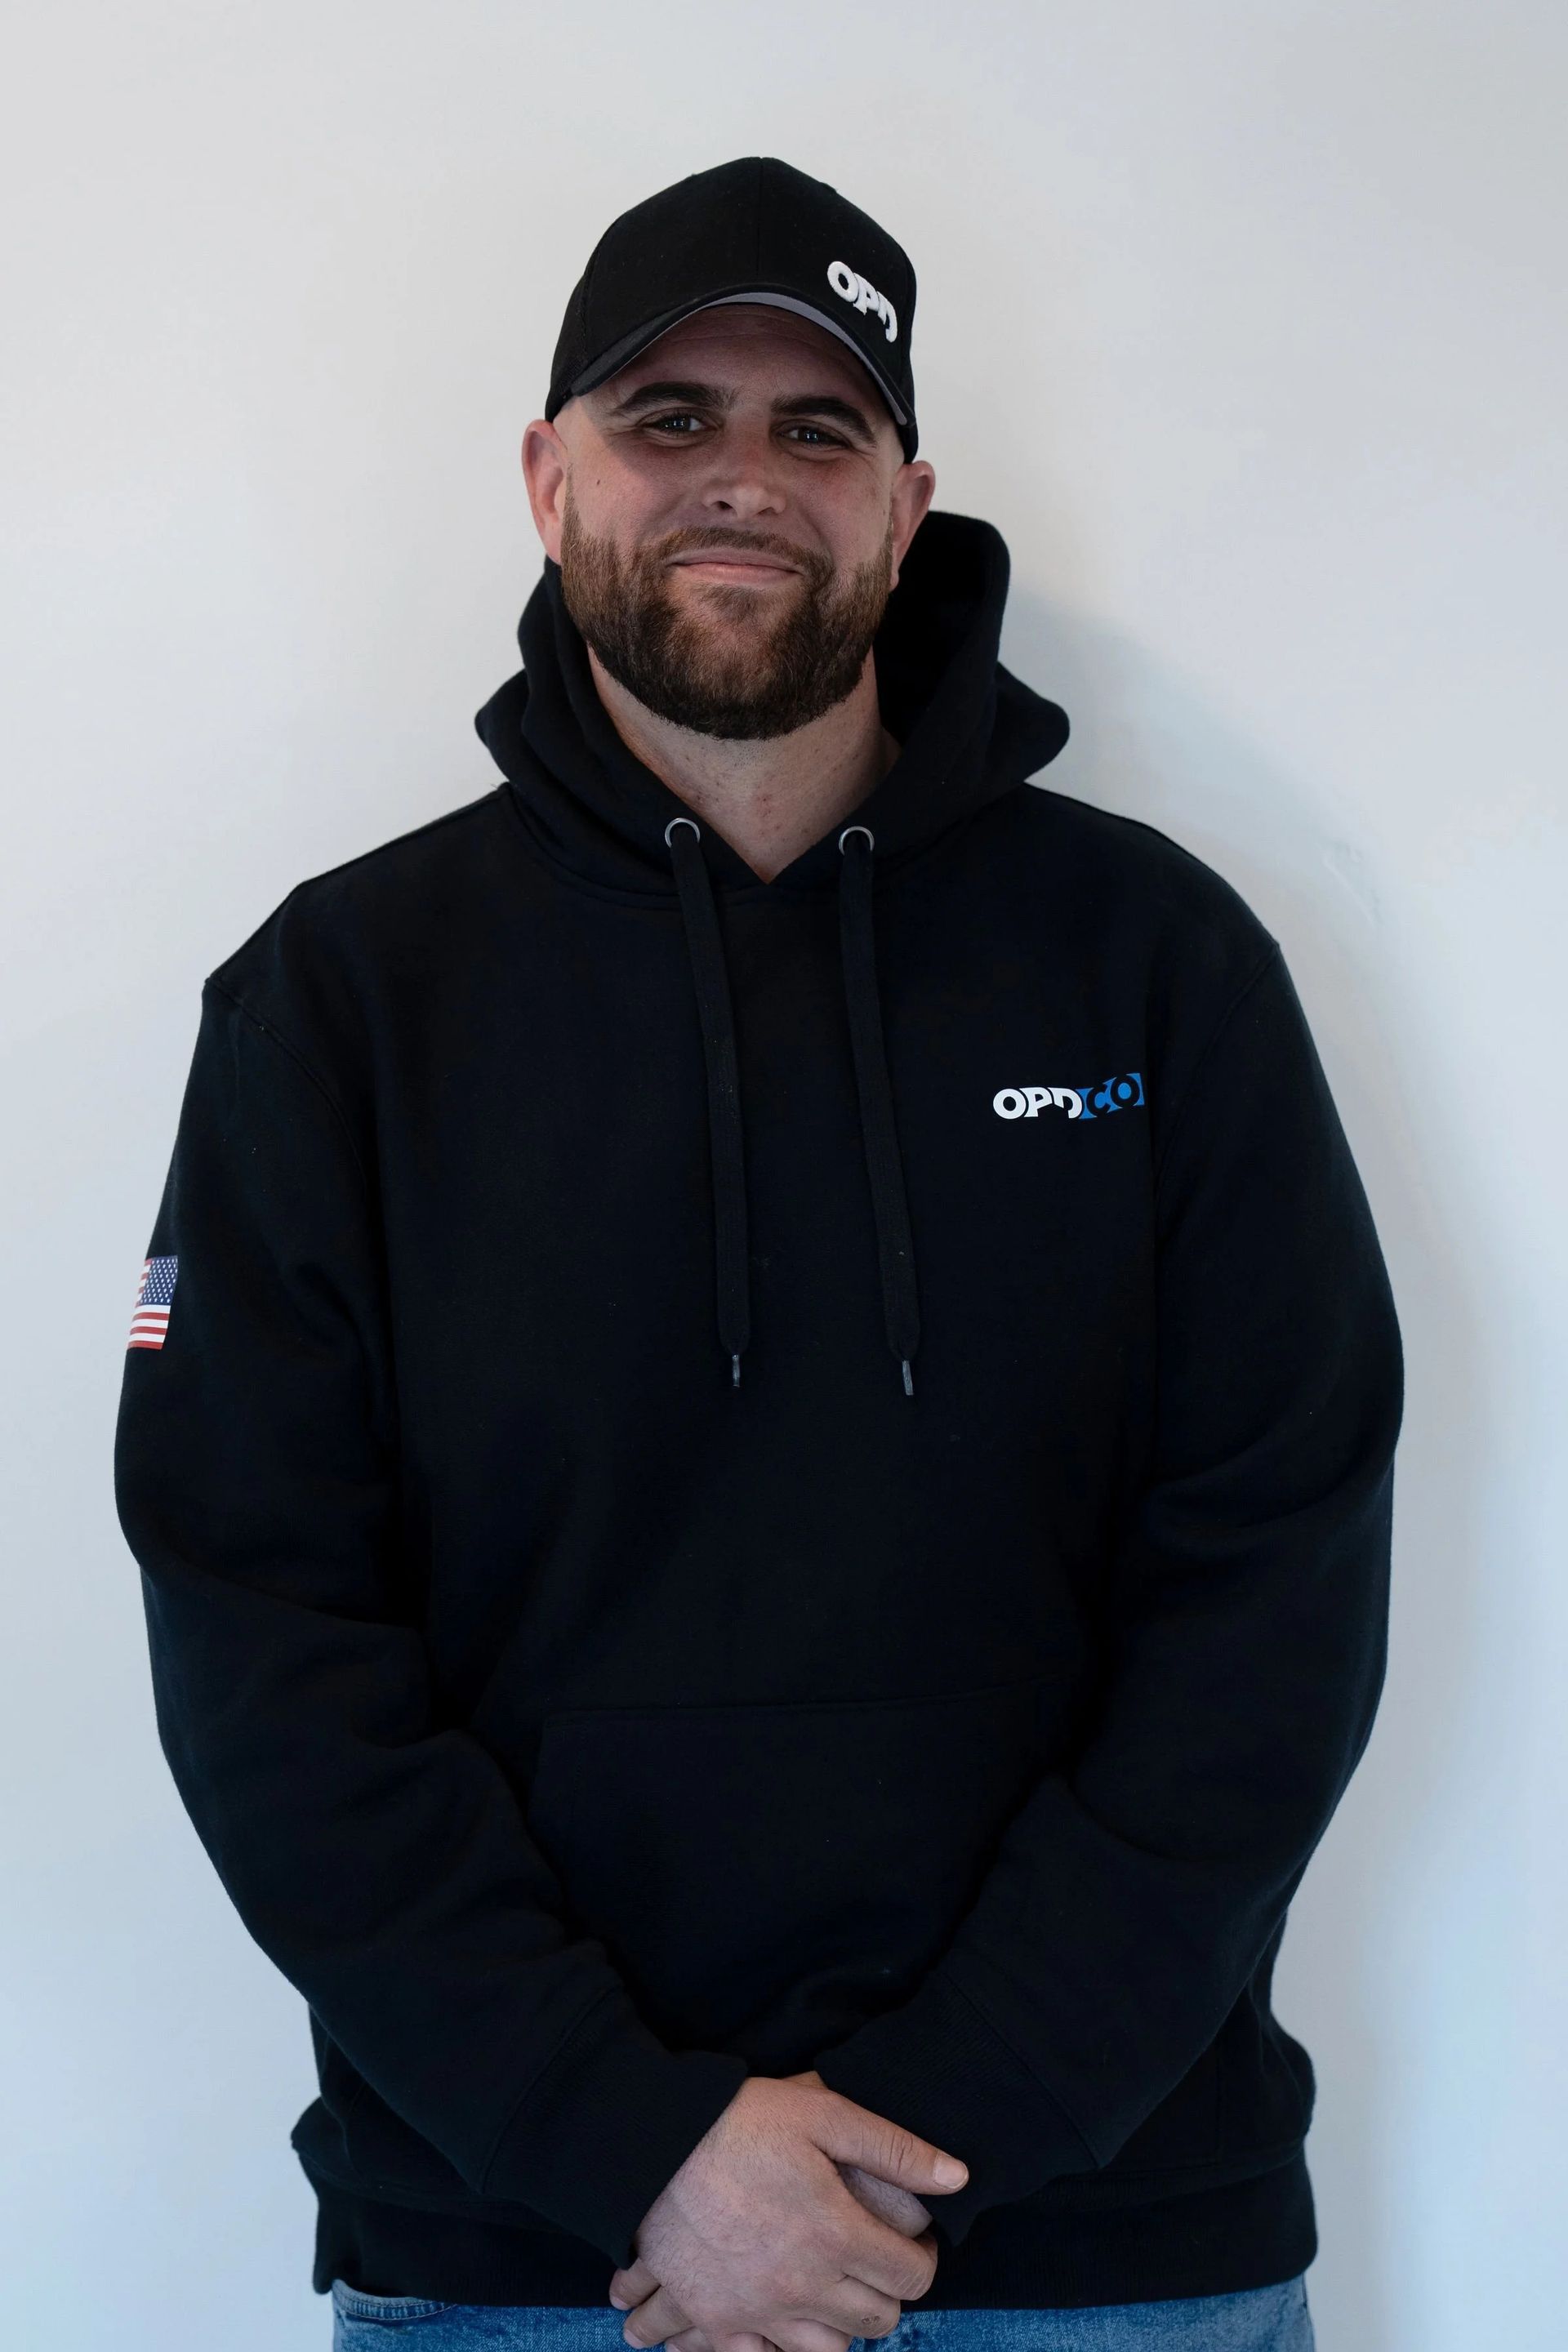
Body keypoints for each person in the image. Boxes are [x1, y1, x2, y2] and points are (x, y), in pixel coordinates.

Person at [114, 156, 1402, 2352]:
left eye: (818, 428)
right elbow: (265, 1638)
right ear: (550, 483)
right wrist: (633, 2141)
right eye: (669, 418)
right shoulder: (339, 1005)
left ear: (906, 507)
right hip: (533, 2255)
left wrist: (919, 2144)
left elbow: (1271, 1603)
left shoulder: (1157, 968)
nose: (745, 479)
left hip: (1105, 2248)